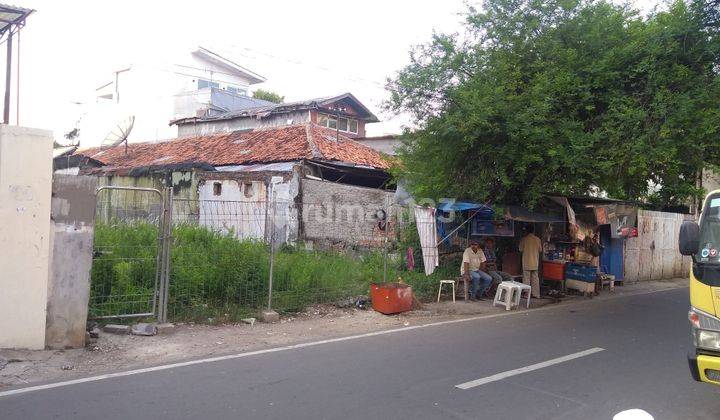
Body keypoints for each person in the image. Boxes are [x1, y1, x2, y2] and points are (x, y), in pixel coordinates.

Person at [518, 225, 542, 298]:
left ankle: (526, 294)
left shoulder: (524, 239)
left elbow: (520, 249)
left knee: (526, 278)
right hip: (535, 262)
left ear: (526, 231)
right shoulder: (538, 239)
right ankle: (536, 294)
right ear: (533, 231)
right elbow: (540, 250)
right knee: (535, 278)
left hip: (526, 262)